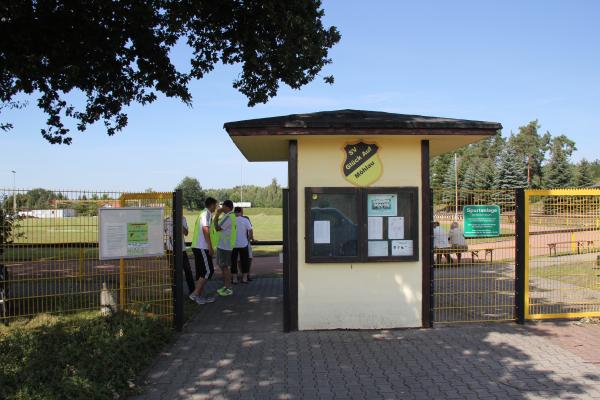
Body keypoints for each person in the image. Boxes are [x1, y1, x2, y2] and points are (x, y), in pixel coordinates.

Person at [189, 197, 218, 305]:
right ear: (211, 205)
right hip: (202, 247)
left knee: (201, 272)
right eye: (216, 205)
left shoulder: (205, 213)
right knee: (208, 271)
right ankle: (195, 294)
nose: (216, 207)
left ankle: (200, 296)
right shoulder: (206, 214)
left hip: (199, 246)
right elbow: (205, 230)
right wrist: (210, 246)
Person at [164, 215, 195, 294]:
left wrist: (179, 223)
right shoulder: (166, 220)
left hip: (182, 250)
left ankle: (193, 291)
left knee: (187, 270)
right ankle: (175, 292)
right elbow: (164, 233)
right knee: (173, 271)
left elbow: (186, 233)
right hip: (170, 250)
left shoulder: (183, 218)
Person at [214, 200, 236, 297]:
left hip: (225, 246)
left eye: (223, 207)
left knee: (225, 267)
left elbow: (218, 228)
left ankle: (228, 288)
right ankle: (226, 286)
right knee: (223, 266)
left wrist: (216, 215)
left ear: (228, 207)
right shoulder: (228, 216)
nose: (221, 208)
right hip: (223, 245)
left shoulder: (229, 217)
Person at [231, 207, 254, 284]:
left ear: (235, 212)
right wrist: (248, 239)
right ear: (241, 212)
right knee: (245, 261)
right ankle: (244, 279)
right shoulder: (245, 220)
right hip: (244, 244)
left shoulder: (231, 220)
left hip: (233, 245)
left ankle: (234, 279)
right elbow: (250, 230)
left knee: (233, 262)